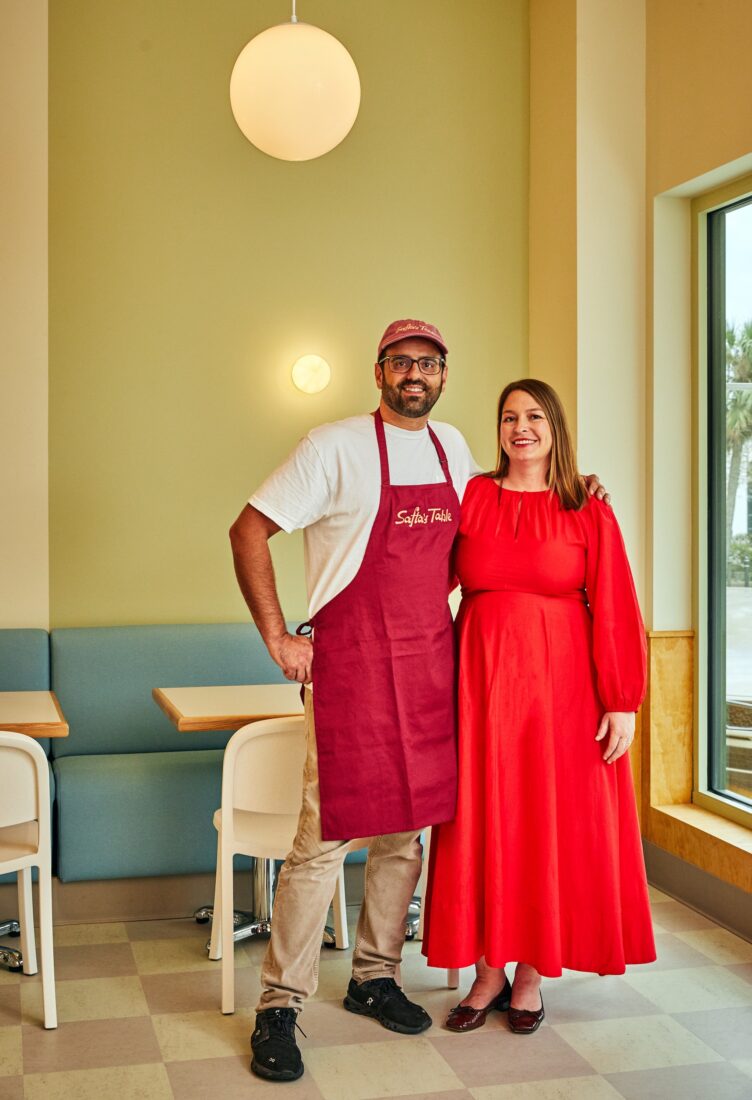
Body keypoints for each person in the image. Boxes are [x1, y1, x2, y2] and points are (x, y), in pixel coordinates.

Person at [229, 319, 479, 1083]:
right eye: (402, 362)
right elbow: (248, 530)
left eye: (429, 363)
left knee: (407, 833)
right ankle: (280, 1004)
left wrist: (579, 488)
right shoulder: (332, 445)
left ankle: (375, 975)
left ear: (443, 374)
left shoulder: (455, 450)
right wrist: (278, 637)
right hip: (354, 668)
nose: (416, 375)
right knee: (323, 839)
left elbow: (496, 528)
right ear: (379, 373)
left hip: (430, 664)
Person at [422, 378, 655, 1035]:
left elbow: (615, 605)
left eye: (532, 416)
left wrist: (623, 702)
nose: (519, 427)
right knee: (485, 824)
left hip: (562, 698)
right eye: (507, 417)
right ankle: (489, 970)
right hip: (482, 692)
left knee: (544, 827)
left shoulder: (588, 506)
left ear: (554, 425)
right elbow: (425, 580)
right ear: (497, 432)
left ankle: (529, 974)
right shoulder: (471, 497)